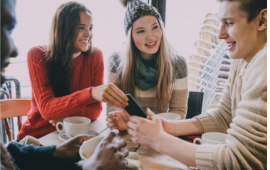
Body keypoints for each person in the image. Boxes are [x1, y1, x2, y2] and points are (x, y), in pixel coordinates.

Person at [107, 0, 267, 169]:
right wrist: (165, 126)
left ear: (262, 20)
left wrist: (157, 139)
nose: (220, 34)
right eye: (221, 23)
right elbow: (223, 117)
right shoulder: (242, 58)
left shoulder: (264, 65)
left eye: (229, 23)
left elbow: (239, 160)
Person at [1, 1, 128, 169]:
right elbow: (47, 110)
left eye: (90, 28)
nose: (88, 34)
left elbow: (96, 110)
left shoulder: (95, 55)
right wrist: (90, 93)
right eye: (81, 27)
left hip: (68, 139)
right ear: (64, 28)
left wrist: (64, 116)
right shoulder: (37, 54)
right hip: (36, 141)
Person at [106, 0, 188, 130]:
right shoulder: (116, 62)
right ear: (130, 36)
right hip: (129, 134)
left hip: (161, 135)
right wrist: (122, 122)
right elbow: (113, 109)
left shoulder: (178, 64)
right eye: (140, 31)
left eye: (155, 27)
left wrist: (146, 126)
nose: (150, 37)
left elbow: (178, 112)